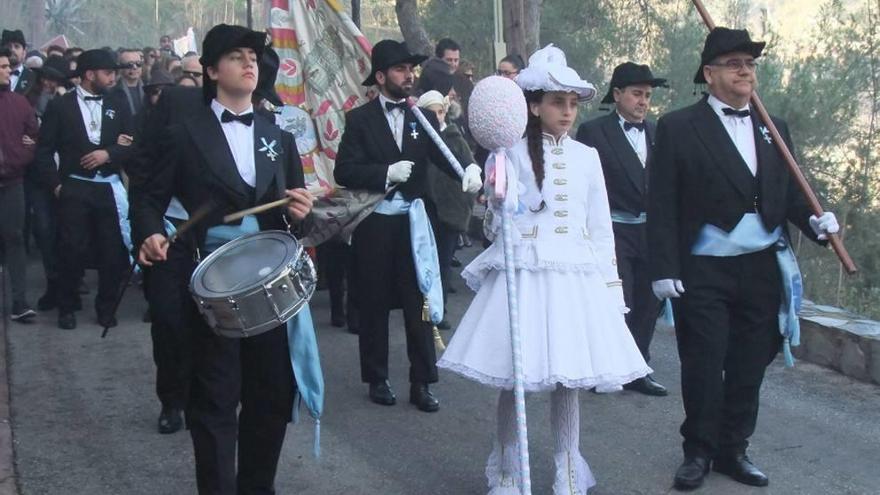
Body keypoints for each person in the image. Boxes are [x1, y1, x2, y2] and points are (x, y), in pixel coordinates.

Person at [437, 45, 651, 494]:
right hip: (526, 275)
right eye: (558, 102)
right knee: (515, 377)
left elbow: (598, 226)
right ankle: (510, 472)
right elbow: (497, 227)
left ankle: (568, 469)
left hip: (574, 277)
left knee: (567, 379)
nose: (568, 111)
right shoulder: (509, 153)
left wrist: (612, 287)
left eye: (573, 103)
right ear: (534, 105)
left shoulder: (587, 157)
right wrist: (494, 195)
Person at [647, 27, 840, 491]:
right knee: (703, 360)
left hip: (760, 268)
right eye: (734, 63)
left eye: (751, 64)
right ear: (709, 74)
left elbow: (790, 194)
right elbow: (663, 204)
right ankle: (698, 450)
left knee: (751, 362)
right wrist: (663, 269)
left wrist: (814, 222)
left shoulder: (774, 128)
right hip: (704, 267)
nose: (746, 71)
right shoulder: (678, 127)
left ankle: (734, 449)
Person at [131, 24, 314, 493]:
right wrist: (151, 232)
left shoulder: (279, 137)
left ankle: (257, 486)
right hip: (209, 287)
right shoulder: (183, 134)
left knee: (271, 395)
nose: (249, 63)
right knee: (214, 399)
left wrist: (299, 214)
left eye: (252, 57)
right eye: (236, 56)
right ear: (212, 70)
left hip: (268, 288)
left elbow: (292, 223)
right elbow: (149, 199)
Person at [334, 39, 482, 412]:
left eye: (411, 69)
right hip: (375, 224)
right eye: (401, 69)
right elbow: (344, 171)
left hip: (416, 224)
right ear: (381, 76)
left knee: (420, 302)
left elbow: (445, 156)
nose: (409, 75)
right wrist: (384, 173)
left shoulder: (423, 118)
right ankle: (378, 377)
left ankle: (423, 381)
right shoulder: (359, 119)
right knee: (374, 303)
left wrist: (468, 173)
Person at [575, 62, 669, 397]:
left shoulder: (658, 133)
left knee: (647, 301)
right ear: (617, 95)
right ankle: (605, 366)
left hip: (650, 231)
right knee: (618, 297)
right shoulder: (594, 132)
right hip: (612, 229)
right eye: (636, 94)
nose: (643, 101)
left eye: (647, 95)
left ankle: (638, 368)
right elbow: (583, 184)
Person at [35, 49, 135, 330]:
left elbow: (132, 143)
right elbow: (44, 152)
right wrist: (56, 186)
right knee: (71, 250)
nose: (113, 77)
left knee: (112, 252)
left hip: (109, 188)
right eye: (108, 73)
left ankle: (106, 308)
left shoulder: (118, 102)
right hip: (74, 188)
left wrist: (109, 154)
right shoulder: (61, 106)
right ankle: (66, 307)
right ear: (90, 74)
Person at [417, 90, 476, 330]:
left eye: (440, 112)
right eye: (431, 113)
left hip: (450, 209)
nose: (437, 117)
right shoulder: (415, 137)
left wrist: (473, 173)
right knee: (422, 260)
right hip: (424, 207)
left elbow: (468, 164)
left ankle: (439, 309)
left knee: (442, 261)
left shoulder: (453, 137)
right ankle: (422, 307)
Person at [0, 47, 39, 321]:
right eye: (1, 67)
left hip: (12, 181)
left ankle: (19, 301)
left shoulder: (19, 102)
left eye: (7, 67)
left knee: (15, 239)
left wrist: (22, 156)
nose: (6, 72)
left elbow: (33, 136)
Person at [112, 49, 145, 116]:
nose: (135, 67)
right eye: (130, 64)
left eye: (138, 64)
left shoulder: (149, 89)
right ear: (121, 67)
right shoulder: (113, 92)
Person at [1, 30, 35, 94]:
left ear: (24, 53)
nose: (12, 50)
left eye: (16, 46)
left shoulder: (33, 78)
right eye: (9, 46)